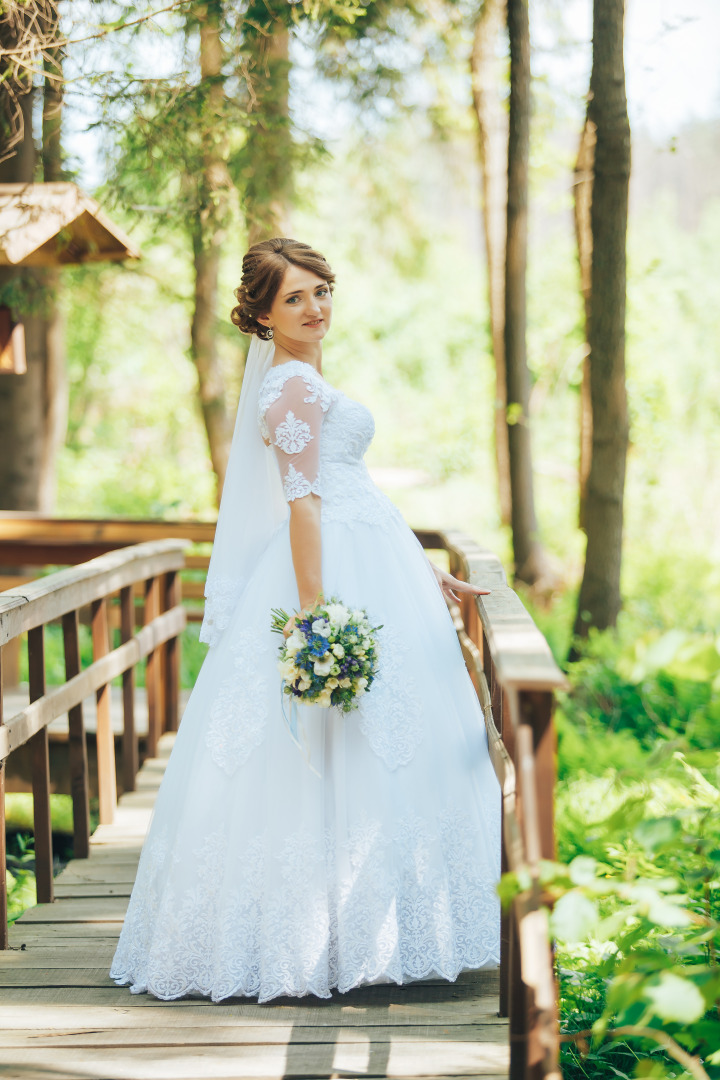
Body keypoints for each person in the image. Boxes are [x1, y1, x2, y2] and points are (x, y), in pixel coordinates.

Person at [110, 238, 501, 1004]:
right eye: (295, 298)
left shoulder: (307, 379)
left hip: (374, 557)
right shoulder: (289, 389)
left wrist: (427, 570)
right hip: (329, 574)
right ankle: (319, 941)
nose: (315, 308)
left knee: (378, 743)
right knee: (328, 747)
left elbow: (351, 486)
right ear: (261, 313)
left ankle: (377, 934)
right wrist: (317, 619)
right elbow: (305, 505)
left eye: (322, 292)